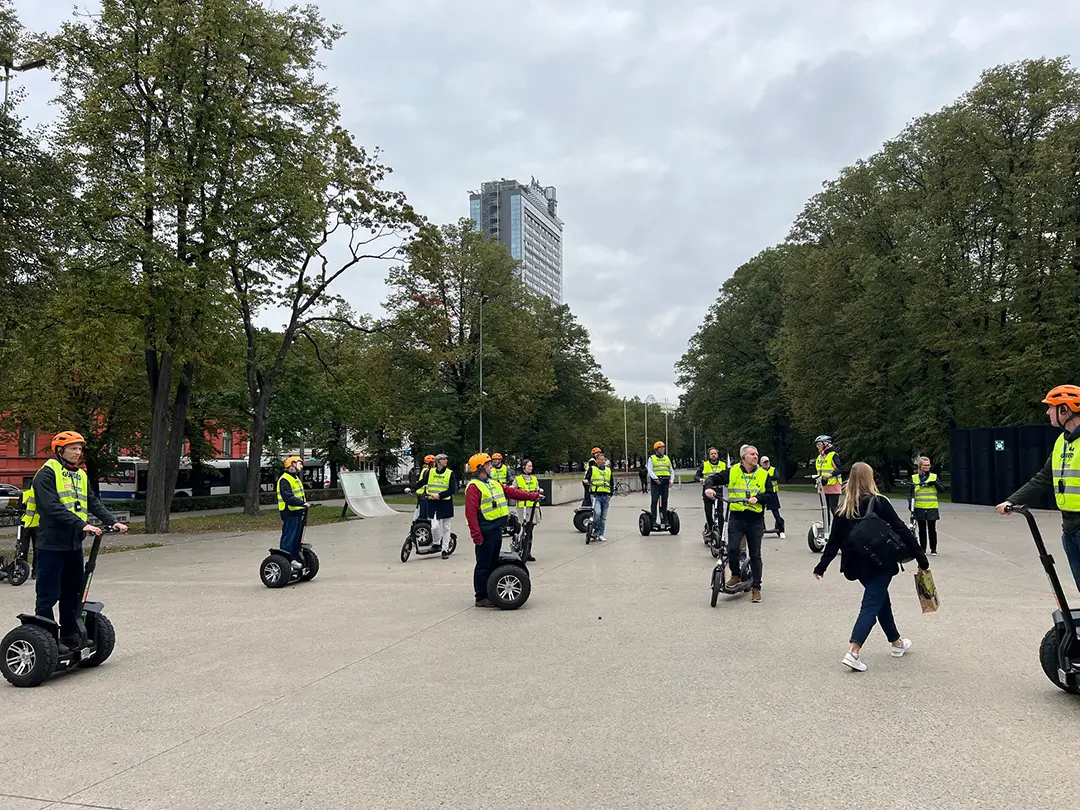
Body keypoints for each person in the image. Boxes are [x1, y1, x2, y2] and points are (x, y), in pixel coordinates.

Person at [813, 461, 929, 672]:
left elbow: (833, 542)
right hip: (881, 562)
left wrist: (822, 566)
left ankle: (896, 643)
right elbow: (902, 530)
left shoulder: (843, 509)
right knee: (871, 605)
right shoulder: (879, 503)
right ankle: (853, 651)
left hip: (856, 567)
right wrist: (922, 559)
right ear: (869, 478)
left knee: (881, 601)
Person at [32, 431, 128, 654]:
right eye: (73, 448)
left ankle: (69, 635)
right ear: (60, 450)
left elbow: (92, 502)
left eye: (80, 448)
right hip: (51, 544)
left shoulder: (80, 475)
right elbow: (51, 506)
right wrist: (81, 524)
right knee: (48, 595)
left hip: (73, 544)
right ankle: (46, 640)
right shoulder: (46, 473)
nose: (78, 452)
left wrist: (112, 521)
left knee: (73, 593)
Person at [997, 384, 1080, 592]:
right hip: (1070, 525)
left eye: (1051, 407)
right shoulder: (1062, 441)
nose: (1047, 412)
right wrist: (1012, 500)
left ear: (1065, 409)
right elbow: (1044, 478)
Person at [465, 452, 543, 607]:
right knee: (483, 564)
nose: (491, 467)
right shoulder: (474, 487)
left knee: (493, 562)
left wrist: (532, 496)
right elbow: (470, 514)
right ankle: (481, 597)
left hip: (496, 530)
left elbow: (511, 492)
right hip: (485, 532)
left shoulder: (493, 483)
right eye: (488, 464)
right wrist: (476, 535)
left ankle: (491, 591)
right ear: (480, 468)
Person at [703, 444, 775, 602]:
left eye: (756, 454)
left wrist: (759, 498)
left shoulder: (763, 474)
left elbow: (771, 495)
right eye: (752, 454)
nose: (756, 457)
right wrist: (709, 487)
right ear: (743, 457)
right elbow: (713, 478)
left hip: (755, 519)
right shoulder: (733, 471)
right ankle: (735, 575)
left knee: (755, 554)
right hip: (737, 517)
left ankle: (756, 588)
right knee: (733, 549)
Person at [277, 456, 312, 569]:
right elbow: (288, 497)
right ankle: (285, 562)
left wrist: (303, 505)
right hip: (289, 512)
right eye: (300, 464)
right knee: (289, 537)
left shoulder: (295, 478)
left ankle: (294, 559)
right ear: (292, 464)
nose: (301, 466)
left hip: (298, 512)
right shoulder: (284, 479)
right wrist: (302, 503)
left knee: (297, 537)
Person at [908, 456, 945, 555]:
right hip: (919, 506)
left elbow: (942, 490)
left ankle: (933, 549)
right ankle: (923, 549)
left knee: (932, 529)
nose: (927, 467)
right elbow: (910, 493)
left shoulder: (934, 476)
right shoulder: (914, 477)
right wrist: (910, 504)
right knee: (921, 529)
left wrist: (935, 483)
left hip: (932, 506)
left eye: (928, 465)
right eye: (925, 465)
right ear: (920, 466)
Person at [424, 453, 458, 559]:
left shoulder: (450, 473)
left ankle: (445, 549)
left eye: (446, 459)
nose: (446, 461)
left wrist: (440, 495)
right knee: (434, 526)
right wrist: (412, 488)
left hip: (445, 503)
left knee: (446, 527)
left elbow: (452, 489)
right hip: (433, 503)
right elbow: (423, 482)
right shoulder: (431, 472)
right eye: (443, 459)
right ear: (438, 461)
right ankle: (436, 543)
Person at [694, 448, 727, 538]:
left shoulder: (723, 465)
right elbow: (696, 476)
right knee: (708, 512)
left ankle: (721, 532)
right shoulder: (704, 465)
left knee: (720, 513)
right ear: (709, 455)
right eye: (711, 453)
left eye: (715, 453)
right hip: (707, 490)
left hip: (718, 491)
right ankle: (710, 528)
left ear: (717, 454)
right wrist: (700, 479)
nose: (713, 455)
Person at [512, 459, 541, 561]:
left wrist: (539, 491)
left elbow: (537, 489)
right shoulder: (518, 479)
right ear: (523, 467)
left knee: (530, 530)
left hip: (533, 506)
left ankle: (527, 552)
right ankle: (522, 549)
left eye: (531, 466)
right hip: (523, 507)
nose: (531, 468)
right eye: (529, 466)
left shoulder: (534, 479)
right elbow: (513, 489)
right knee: (525, 529)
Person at [585, 452, 613, 542]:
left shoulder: (608, 470)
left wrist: (611, 493)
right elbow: (587, 478)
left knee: (603, 517)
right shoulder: (592, 469)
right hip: (596, 495)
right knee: (597, 513)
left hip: (606, 495)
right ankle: (592, 528)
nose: (603, 461)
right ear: (597, 460)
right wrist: (586, 481)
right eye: (601, 460)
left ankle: (600, 534)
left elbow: (611, 482)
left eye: (604, 459)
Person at [814, 435, 844, 518]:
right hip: (822, 485)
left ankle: (839, 524)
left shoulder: (833, 455)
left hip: (833, 485)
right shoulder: (819, 457)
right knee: (824, 509)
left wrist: (831, 474)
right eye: (817, 445)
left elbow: (840, 469)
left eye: (819, 444)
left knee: (833, 508)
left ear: (826, 444)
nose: (817, 446)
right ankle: (826, 526)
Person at [759, 455, 786, 538]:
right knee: (760, 513)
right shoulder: (758, 470)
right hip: (762, 494)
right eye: (764, 462)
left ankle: (781, 530)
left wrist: (766, 477)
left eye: (767, 462)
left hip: (772, 494)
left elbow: (776, 476)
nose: (766, 464)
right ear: (761, 463)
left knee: (776, 513)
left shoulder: (773, 469)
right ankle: (760, 529)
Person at [647, 441, 672, 525]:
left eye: (663, 448)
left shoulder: (667, 458)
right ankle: (653, 520)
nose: (662, 449)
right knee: (654, 501)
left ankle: (664, 520)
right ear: (656, 449)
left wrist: (671, 480)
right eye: (660, 448)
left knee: (664, 501)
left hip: (665, 482)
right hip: (656, 483)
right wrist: (655, 478)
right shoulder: (652, 458)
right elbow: (650, 470)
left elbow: (671, 470)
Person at [404, 454, 436, 521]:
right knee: (424, 514)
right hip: (425, 494)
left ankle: (421, 524)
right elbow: (424, 482)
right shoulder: (428, 471)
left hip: (421, 493)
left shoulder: (424, 469)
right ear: (431, 463)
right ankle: (421, 525)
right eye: (434, 463)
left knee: (423, 512)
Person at [19, 485, 39, 579]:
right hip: (30, 525)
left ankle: (26, 571)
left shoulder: (40, 494)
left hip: (31, 525)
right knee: (27, 549)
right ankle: (30, 571)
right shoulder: (26, 494)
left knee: (28, 549)